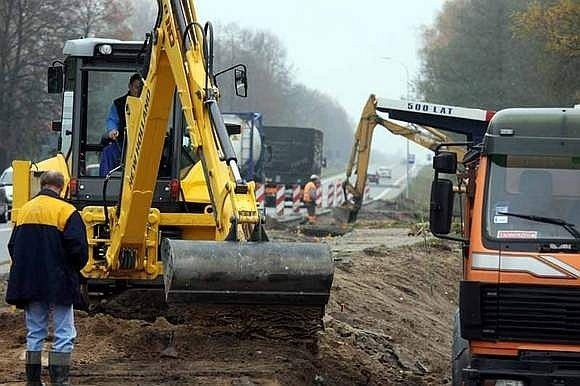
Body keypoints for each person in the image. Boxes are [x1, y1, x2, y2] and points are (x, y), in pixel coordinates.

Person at [6, 170, 88, 386]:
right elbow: (78, 249)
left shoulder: (25, 210)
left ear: (42, 184)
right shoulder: (66, 211)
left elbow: (13, 246)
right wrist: (73, 271)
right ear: (62, 187)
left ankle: (33, 382)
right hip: (59, 282)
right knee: (64, 331)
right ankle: (59, 381)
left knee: (35, 332)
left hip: (30, 282)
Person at [99, 73, 143, 176]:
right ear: (130, 86)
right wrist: (112, 130)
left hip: (143, 145)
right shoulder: (119, 104)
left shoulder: (149, 104)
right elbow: (112, 120)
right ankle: (104, 180)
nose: (138, 91)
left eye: (141, 88)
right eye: (136, 87)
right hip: (122, 143)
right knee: (108, 152)